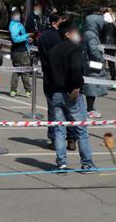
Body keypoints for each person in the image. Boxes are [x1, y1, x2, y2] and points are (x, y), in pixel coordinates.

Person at [48, 20, 97, 173]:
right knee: (81, 129)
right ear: (68, 34)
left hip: (55, 93)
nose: (78, 35)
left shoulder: (53, 50)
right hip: (71, 93)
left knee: (59, 130)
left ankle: (61, 163)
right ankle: (87, 163)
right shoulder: (75, 49)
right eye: (76, 32)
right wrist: (75, 88)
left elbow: (48, 73)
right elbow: (75, 69)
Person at [37, 13, 77, 151]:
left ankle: (54, 139)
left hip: (49, 78)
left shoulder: (42, 37)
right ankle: (71, 139)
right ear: (55, 23)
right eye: (62, 21)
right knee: (70, 110)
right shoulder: (61, 38)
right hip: (64, 79)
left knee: (53, 111)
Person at [82, 14, 107, 119]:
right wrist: (100, 56)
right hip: (92, 64)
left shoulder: (88, 33)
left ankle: (90, 108)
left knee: (90, 86)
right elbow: (93, 51)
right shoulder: (91, 35)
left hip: (89, 63)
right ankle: (90, 109)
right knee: (91, 87)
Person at [8, 7, 33, 97]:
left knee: (16, 70)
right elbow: (15, 39)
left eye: (18, 13)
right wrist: (27, 35)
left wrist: (27, 39)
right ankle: (28, 91)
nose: (17, 15)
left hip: (18, 50)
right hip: (20, 51)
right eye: (15, 14)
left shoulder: (18, 24)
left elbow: (21, 37)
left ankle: (13, 90)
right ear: (12, 15)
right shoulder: (14, 25)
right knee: (24, 71)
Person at [101, 9, 116, 84]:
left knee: (102, 63)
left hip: (103, 44)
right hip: (112, 45)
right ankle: (113, 80)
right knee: (112, 64)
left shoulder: (102, 22)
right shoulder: (114, 24)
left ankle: (101, 78)